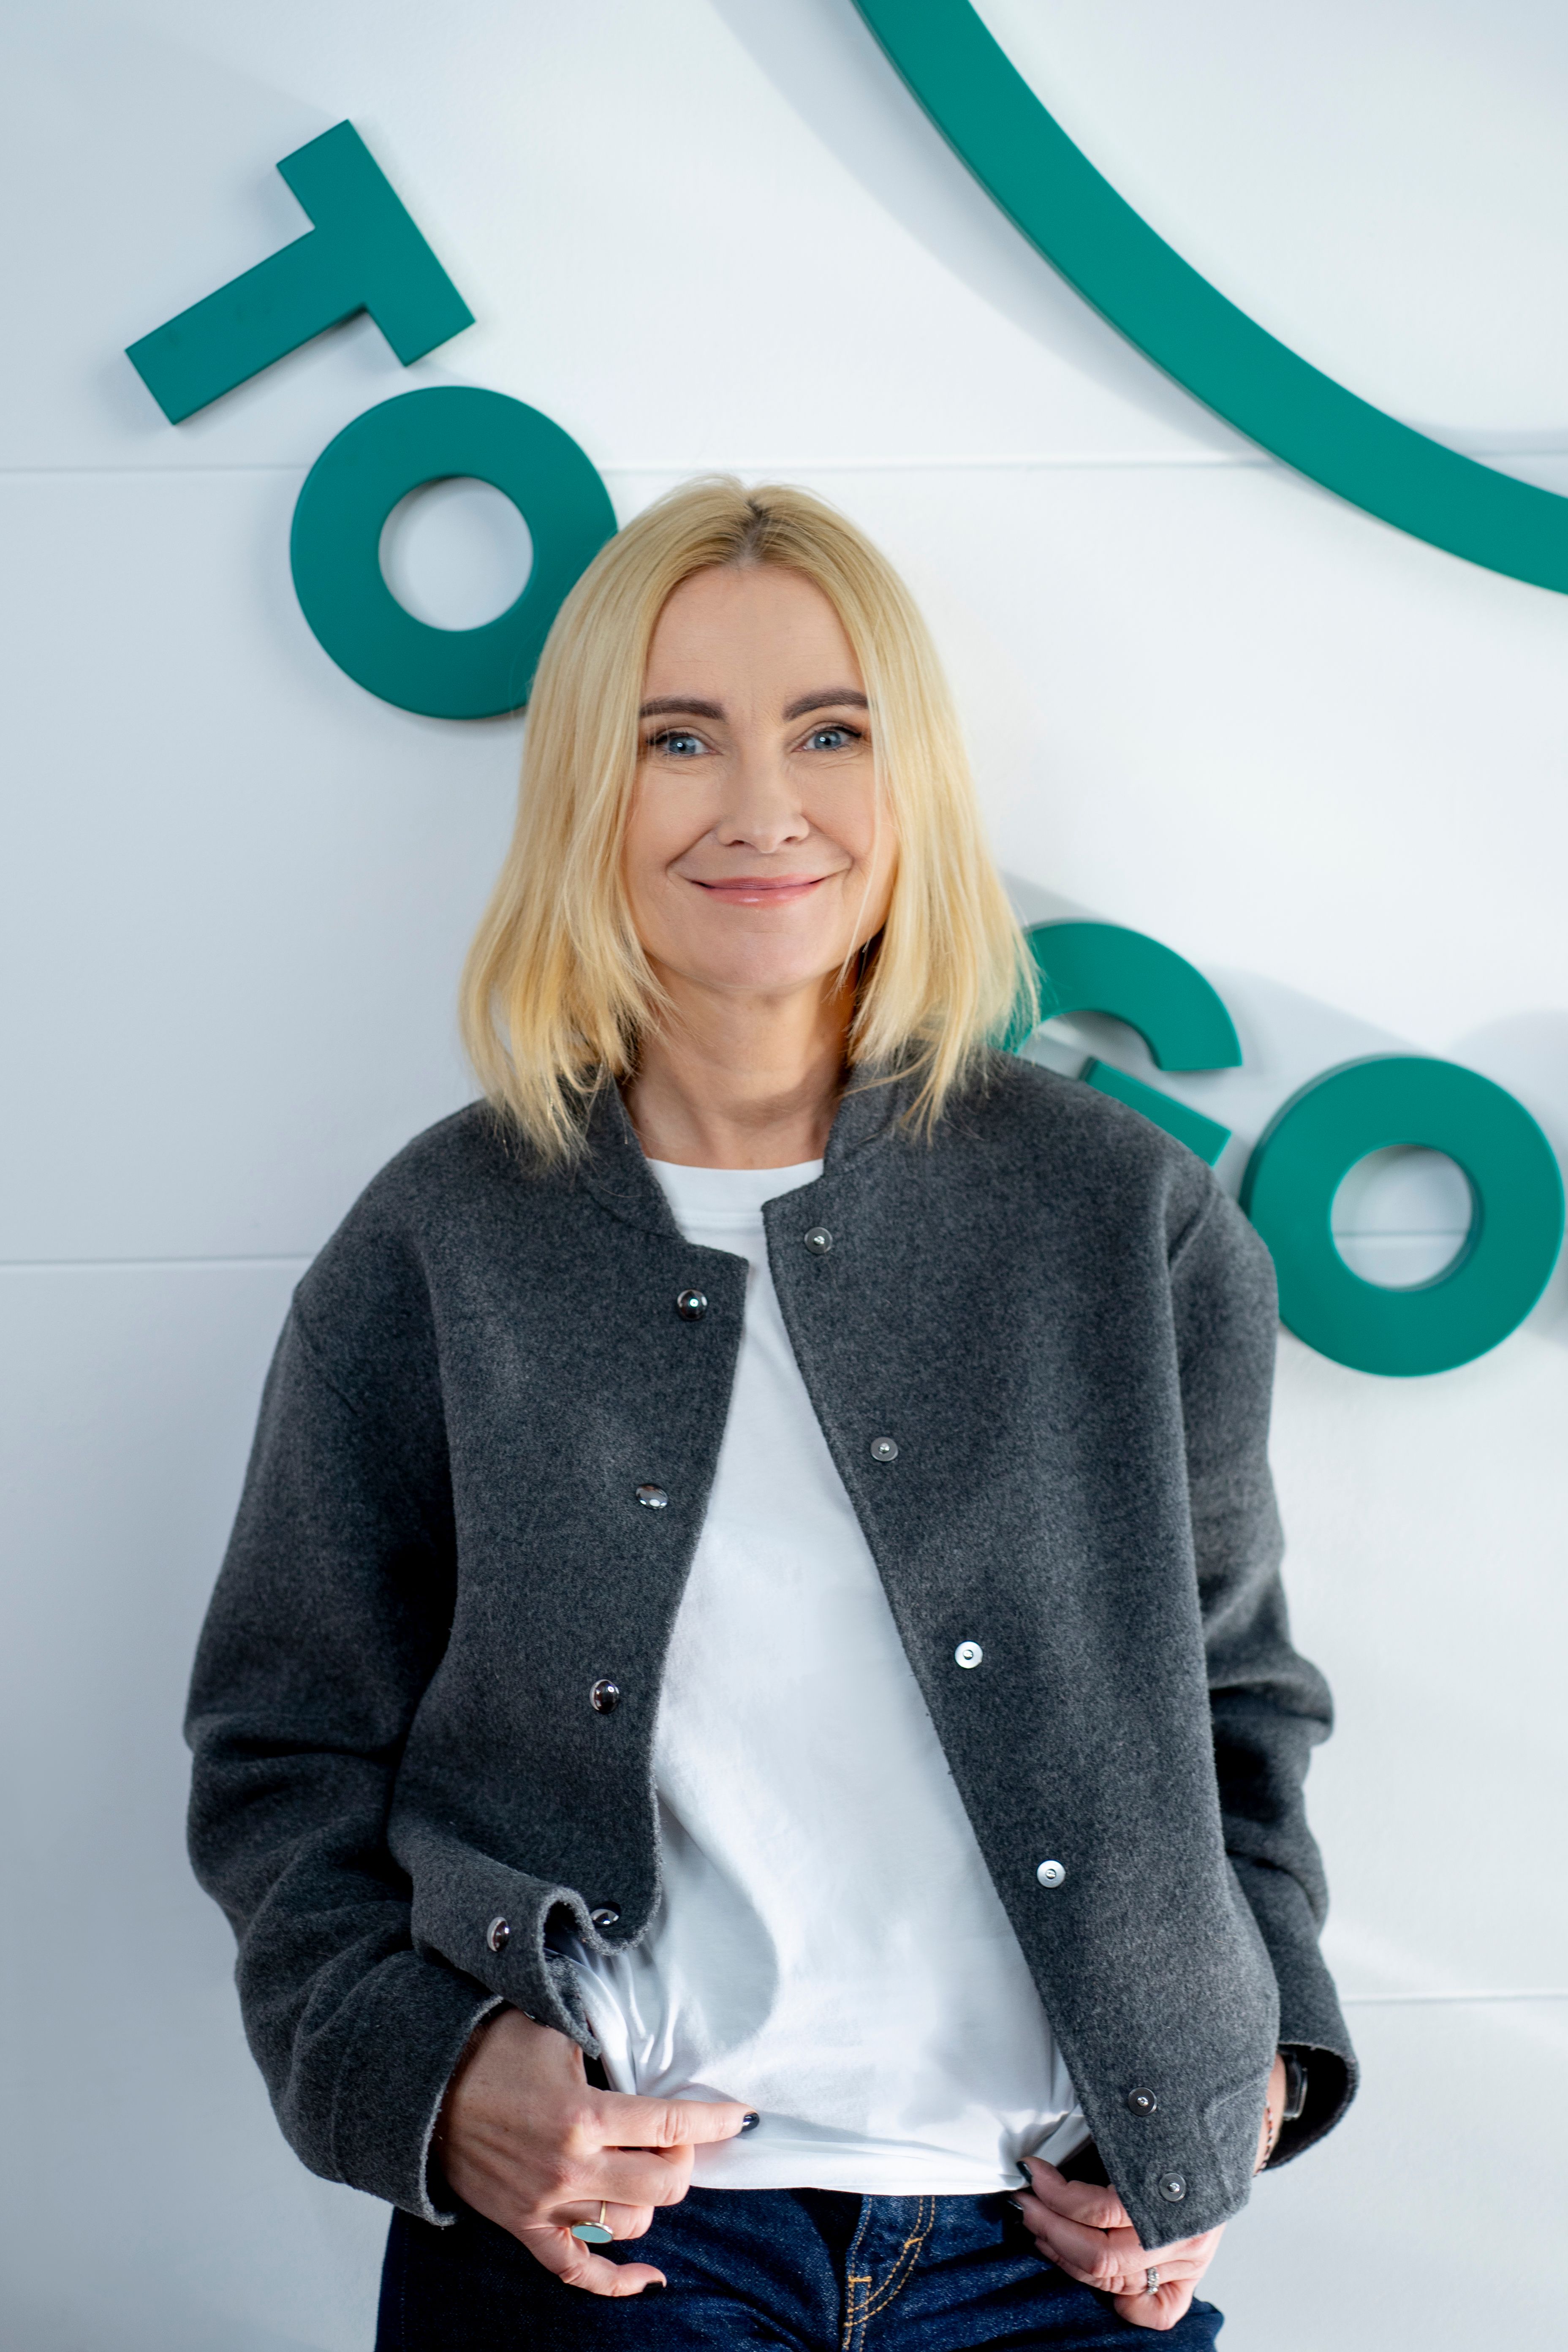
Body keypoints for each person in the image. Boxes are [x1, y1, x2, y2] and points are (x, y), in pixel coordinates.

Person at [186, 479, 1356, 2349]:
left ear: (910, 788)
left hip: (1056, 2263)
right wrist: (419, 2065)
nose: (760, 806)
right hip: (604, 2254)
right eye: (676, 739)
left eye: (829, 731)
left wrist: (1238, 2085)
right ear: (589, 789)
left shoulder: (1126, 1222)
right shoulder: (439, 1240)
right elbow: (282, 1747)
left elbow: (1237, 1722)